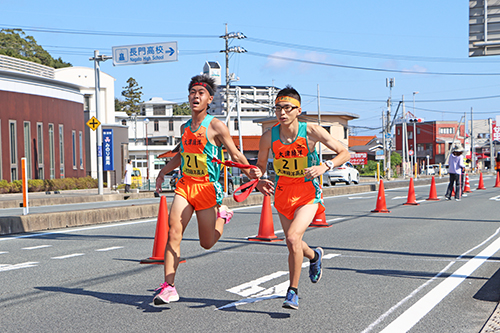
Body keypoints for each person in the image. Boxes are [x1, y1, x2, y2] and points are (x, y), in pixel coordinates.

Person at [152, 74, 261, 306]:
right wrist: (163, 172)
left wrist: (250, 171)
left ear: (209, 99)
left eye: (200, 93)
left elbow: (235, 153)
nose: (195, 96)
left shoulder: (215, 125)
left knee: (207, 243)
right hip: (185, 185)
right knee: (173, 233)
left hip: (207, 189)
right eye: (192, 92)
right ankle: (169, 287)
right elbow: (181, 155)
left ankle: (222, 216)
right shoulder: (184, 127)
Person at [254, 85, 350, 310]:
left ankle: (292, 291)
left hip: (307, 193)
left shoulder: (311, 131)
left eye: (287, 108)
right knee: (293, 244)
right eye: (278, 108)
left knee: (292, 238)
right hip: (282, 193)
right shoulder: (268, 137)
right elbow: (259, 166)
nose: (282, 113)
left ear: (298, 110)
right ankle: (314, 255)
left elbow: (344, 152)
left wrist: (325, 166)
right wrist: (259, 180)